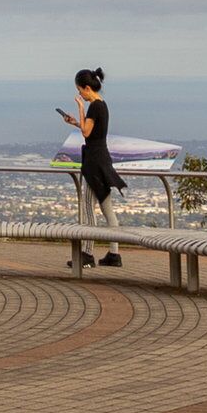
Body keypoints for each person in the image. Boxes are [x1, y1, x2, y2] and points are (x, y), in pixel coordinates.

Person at [57, 67, 122, 267]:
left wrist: (80, 110)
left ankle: (87, 253)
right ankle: (114, 254)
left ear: (87, 88)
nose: (80, 95)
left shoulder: (94, 106)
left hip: (94, 162)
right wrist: (76, 123)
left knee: (88, 207)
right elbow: (91, 131)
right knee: (106, 207)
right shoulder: (103, 105)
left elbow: (86, 133)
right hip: (103, 158)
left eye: (80, 91)